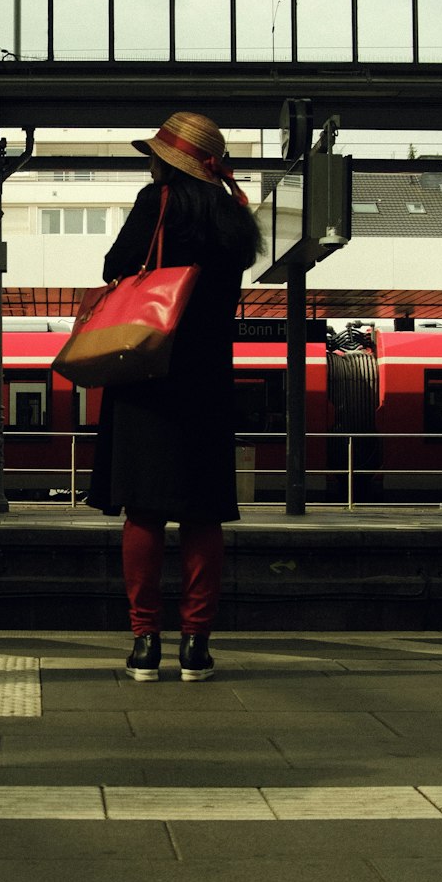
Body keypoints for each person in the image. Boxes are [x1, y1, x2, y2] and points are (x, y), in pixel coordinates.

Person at [88, 111, 262, 682]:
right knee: (202, 514)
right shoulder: (234, 217)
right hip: (207, 379)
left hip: (146, 371)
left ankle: (144, 644)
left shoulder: (157, 201)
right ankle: (196, 645)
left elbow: (117, 267)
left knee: (143, 511)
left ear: (168, 161)